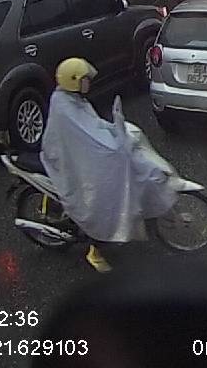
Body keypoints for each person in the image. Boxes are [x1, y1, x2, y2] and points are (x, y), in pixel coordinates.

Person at [40, 58, 178, 273]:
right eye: (85, 79)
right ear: (74, 81)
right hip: (71, 161)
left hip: (80, 155)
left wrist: (114, 130)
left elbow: (92, 127)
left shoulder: (71, 99)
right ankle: (94, 250)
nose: (89, 82)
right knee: (103, 200)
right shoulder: (65, 108)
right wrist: (113, 147)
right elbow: (87, 135)